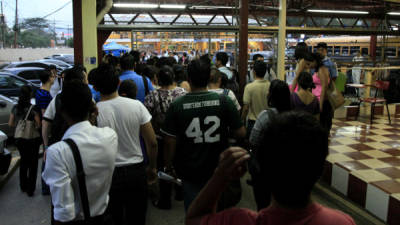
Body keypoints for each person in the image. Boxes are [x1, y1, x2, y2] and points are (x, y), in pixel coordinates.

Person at [186, 111, 357, 225]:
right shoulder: (341, 222)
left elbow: (194, 219)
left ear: (262, 168)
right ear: (320, 169)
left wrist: (220, 176)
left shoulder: (240, 220)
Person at [161, 59, 246, 211]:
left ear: (188, 78)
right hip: (218, 167)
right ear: (208, 78)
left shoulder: (177, 105)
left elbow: (169, 141)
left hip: (189, 170)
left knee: (195, 211)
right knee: (219, 211)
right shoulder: (224, 101)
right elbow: (240, 132)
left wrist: (168, 165)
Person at [42, 81, 118, 224]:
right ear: (92, 108)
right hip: (105, 215)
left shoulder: (58, 152)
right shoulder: (110, 136)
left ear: (62, 111)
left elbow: (64, 214)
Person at [94, 63, 158, 225]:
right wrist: (152, 167)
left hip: (107, 173)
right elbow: (152, 142)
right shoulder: (136, 106)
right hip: (136, 171)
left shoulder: (94, 112)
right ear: (118, 83)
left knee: (113, 218)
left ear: (96, 88)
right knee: (136, 217)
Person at [144, 65, 186, 209]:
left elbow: (146, 117)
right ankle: (181, 193)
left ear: (158, 79)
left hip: (160, 137)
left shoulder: (152, 95)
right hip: (180, 137)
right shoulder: (183, 93)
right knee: (180, 165)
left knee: (163, 168)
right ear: (173, 78)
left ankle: (165, 199)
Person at [248, 80, 291, 210]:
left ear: (272, 95)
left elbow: (253, 141)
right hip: (286, 169)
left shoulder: (265, 116)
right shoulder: (293, 116)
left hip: (265, 169)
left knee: (263, 204)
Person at [8, 85, 41, 197]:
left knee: (24, 161)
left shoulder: (15, 107)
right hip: (32, 139)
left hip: (19, 139)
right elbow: (38, 124)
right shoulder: (33, 108)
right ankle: (30, 190)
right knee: (33, 164)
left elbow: (10, 123)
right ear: (30, 95)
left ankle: (23, 185)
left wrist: (20, 124)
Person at [35, 69, 55, 195]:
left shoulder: (42, 92)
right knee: (46, 156)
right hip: (46, 129)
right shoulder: (43, 94)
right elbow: (45, 115)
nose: (54, 77)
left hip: (45, 129)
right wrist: (47, 133)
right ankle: (45, 186)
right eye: (52, 76)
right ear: (48, 79)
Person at [241, 60, 270, 138]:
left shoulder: (249, 87)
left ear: (253, 72)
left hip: (253, 122)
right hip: (268, 122)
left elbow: (246, 108)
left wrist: (241, 120)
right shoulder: (270, 86)